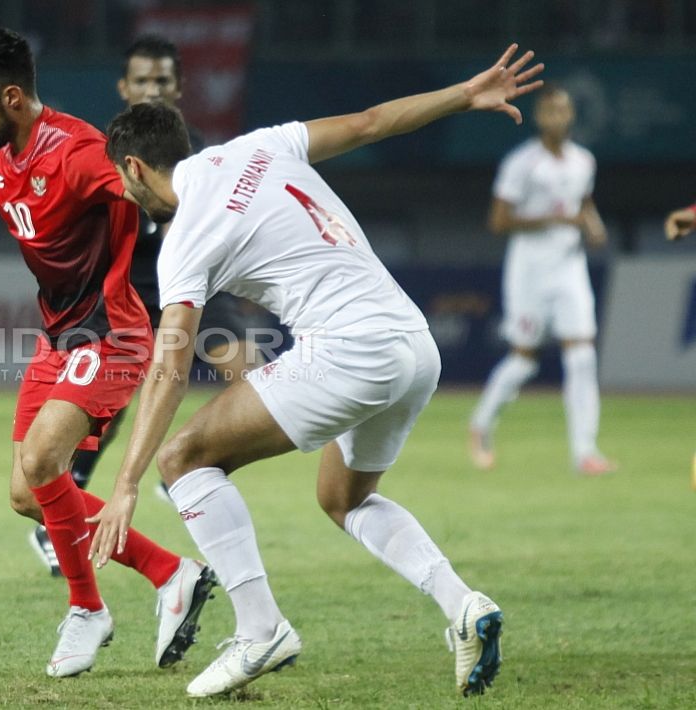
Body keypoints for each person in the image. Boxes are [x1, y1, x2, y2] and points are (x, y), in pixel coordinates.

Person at [88, 44, 545, 698]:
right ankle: (465, 607)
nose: (125, 192)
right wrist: (461, 95)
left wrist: (127, 481)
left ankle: (259, 629)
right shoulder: (261, 146)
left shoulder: (184, 236)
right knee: (344, 498)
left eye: (121, 180)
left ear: (133, 166)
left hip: (349, 351)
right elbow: (367, 123)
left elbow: (167, 366)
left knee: (182, 460)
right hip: (414, 345)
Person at [0, 26, 216, 678]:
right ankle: (171, 572)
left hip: (114, 333)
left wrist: (193, 219)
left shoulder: (80, 153)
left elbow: (162, 192)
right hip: (61, 339)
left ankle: (88, 608)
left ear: (14, 97)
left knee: (43, 456)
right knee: (28, 492)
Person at [28, 34, 258, 576]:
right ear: (124, 87)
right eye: (142, 80)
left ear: (178, 87)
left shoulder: (198, 148)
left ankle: (186, 457)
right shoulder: (102, 148)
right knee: (110, 406)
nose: (152, 88)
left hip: (192, 286)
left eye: (162, 80)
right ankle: (61, 514)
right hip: (129, 288)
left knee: (250, 373)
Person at [468, 85, 615, 476]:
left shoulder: (584, 160)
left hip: (570, 266)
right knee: (524, 359)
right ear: (539, 117)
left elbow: (584, 203)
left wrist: (593, 226)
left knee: (582, 355)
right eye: (550, 111)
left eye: (563, 110)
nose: (557, 118)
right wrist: (552, 219)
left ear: (571, 115)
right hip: (529, 269)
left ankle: (585, 451)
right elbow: (498, 221)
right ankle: (481, 424)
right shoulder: (522, 163)